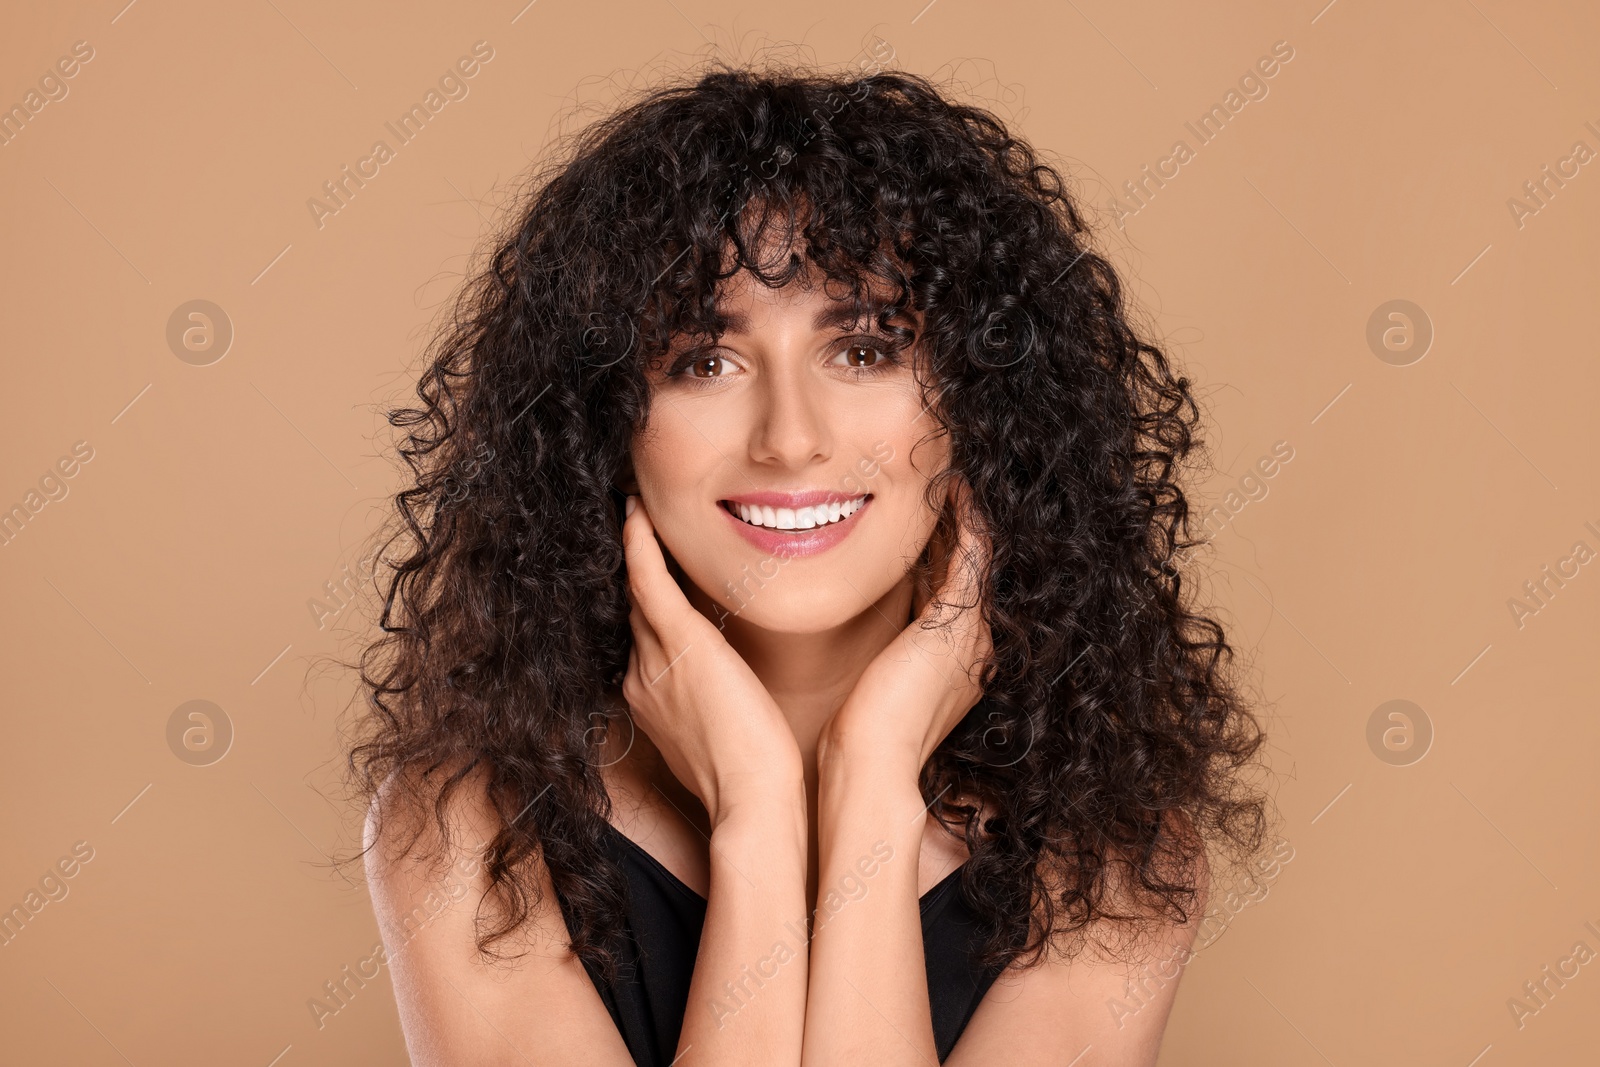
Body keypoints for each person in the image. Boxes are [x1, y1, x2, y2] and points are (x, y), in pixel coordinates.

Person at [345, 58, 1271, 1067]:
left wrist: (870, 785)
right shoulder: (471, 829)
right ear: (597, 423)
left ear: (983, 400)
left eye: (867, 348)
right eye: (703, 359)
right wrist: (756, 813)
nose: (790, 438)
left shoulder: (1113, 857)